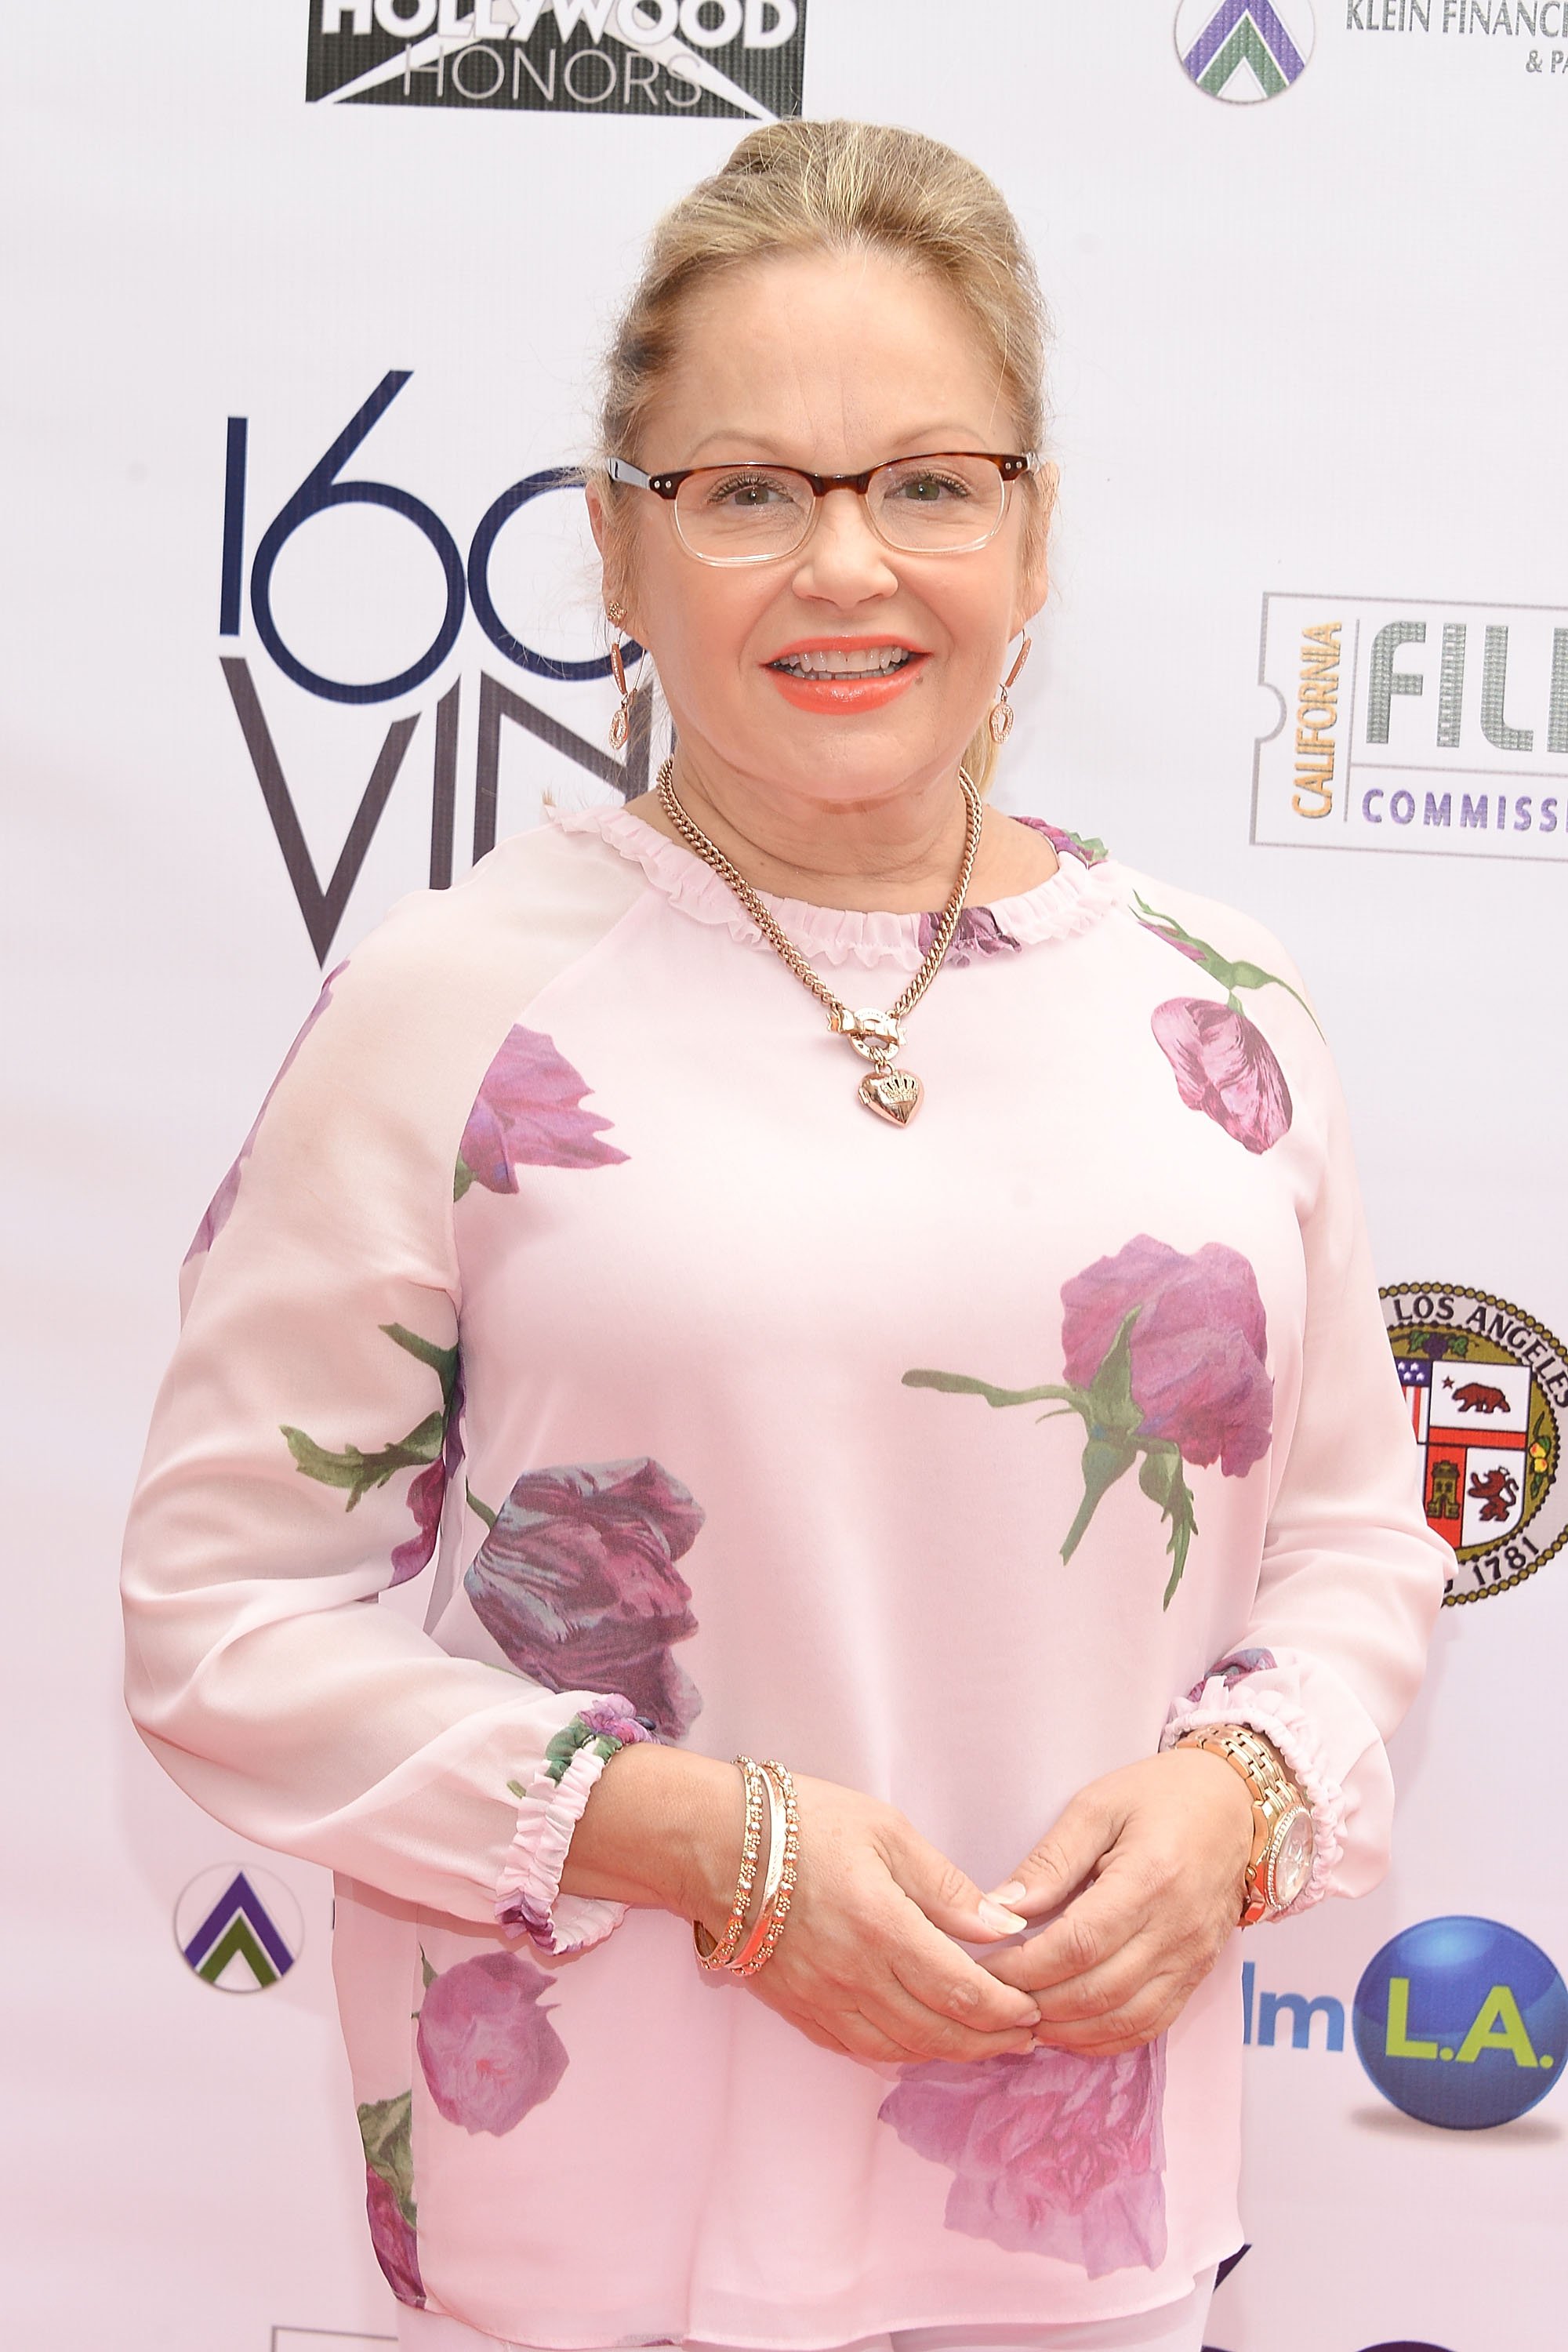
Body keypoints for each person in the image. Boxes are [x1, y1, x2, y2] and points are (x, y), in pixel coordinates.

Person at [122, 119, 1448, 2352]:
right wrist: (693, 1841)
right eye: (749, 492)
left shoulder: (1222, 1010)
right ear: (615, 558)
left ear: (1034, 540)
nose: (848, 565)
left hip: (1076, 2229)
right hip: (594, 2245)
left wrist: (1243, 1796)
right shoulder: (451, 1006)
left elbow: (1354, 1547)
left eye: (928, 480)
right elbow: (223, 1621)